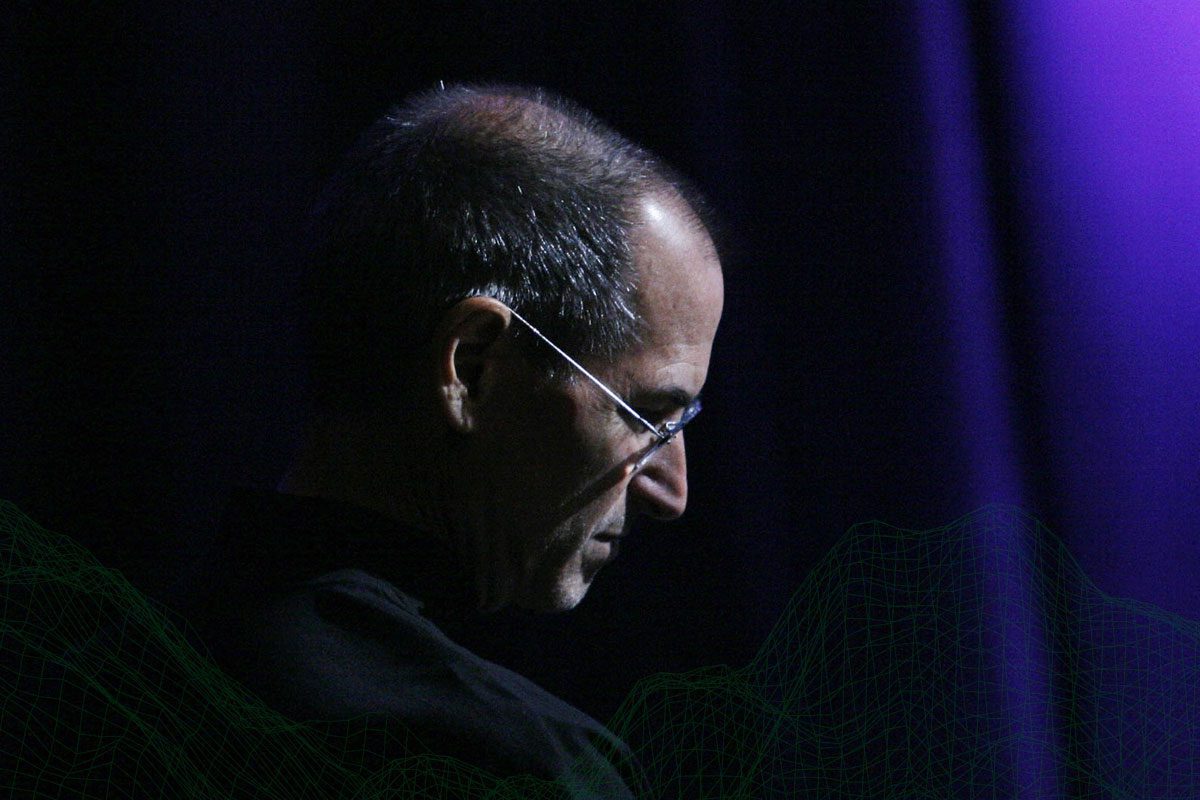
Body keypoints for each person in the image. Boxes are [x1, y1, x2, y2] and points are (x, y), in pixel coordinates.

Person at [186, 83, 724, 796]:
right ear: (472, 368)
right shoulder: (512, 770)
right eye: (646, 415)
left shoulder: (97, 675)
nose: (671, 492)